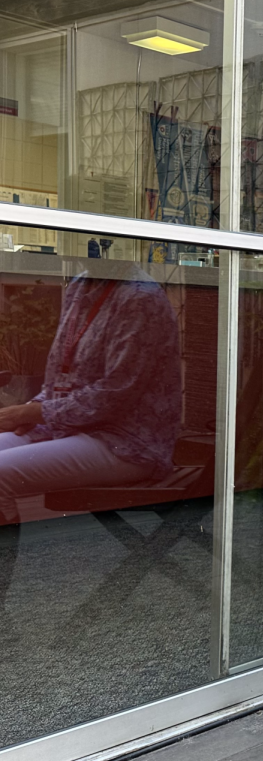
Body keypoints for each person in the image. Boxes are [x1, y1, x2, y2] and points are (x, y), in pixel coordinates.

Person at [0, 260, 182, 625]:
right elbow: (60, 377)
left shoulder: (140, 296)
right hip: (73, 427)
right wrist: (36, 409)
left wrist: (29, 415)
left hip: (128, 442)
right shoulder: (82, 285)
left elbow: (117, 392)